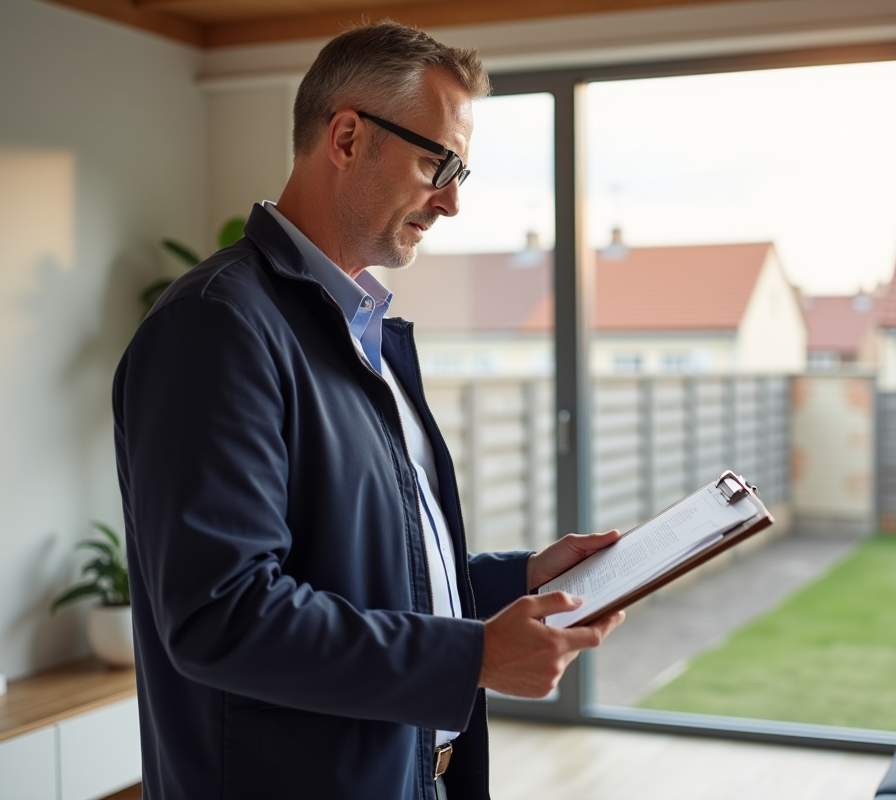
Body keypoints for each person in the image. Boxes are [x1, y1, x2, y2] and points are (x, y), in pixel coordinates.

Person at [112, 20, 624, 800]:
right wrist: (473, 659)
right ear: (347, 137)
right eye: (436, 163)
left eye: (461, 171)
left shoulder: (359, 330)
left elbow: (374, 573)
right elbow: (223, 613)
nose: (451, 202)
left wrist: (513, 583)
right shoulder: (216, 326)